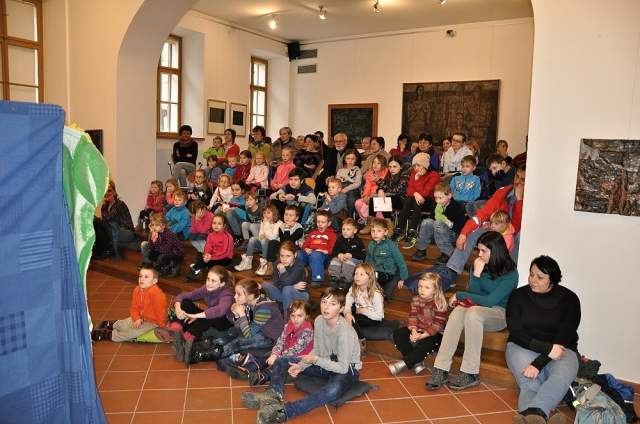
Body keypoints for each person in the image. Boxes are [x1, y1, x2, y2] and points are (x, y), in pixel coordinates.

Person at [241, 287, 362, 424]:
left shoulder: (344, 332)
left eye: (332, 304)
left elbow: (342, 367)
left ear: (341, 309)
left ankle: (284, 412)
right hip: (324, 363)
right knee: (282, 360)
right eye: (324, 302)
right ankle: (274, 394)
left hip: (346, 370)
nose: (326, 307)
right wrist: (301, 365)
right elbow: (317, 349)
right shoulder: (319, 320)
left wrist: (316, 360)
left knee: (332, 391)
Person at [427, 231, 518, 391]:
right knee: (458, 311)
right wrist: (476, 273)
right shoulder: (479, 265)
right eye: (478, 250)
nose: (479, 254)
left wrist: (460, 294)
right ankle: (441, 368)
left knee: (473, 313)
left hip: (499, 313)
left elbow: (489, 301)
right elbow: (474, 294)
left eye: (484, 251)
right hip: (476, 308)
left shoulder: (511, 274)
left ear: (496, 251)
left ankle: (470, 373)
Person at [506, 256, 580, 424]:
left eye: (540, 277)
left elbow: (565, 335)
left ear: (552, 279)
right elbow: (516, 331)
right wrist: (546, 350)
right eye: (531, 274)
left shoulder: (570, 299)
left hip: (562, 348)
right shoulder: (518, 296)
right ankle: (540, 416)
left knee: (561, 377)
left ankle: (532, 417)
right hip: (522, 346)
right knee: (529, 381)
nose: (533, 280)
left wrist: (539, 363)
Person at [443, 166, 525, 280]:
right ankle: (453, 269)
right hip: (496, 229)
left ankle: (509, 276)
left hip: (513, 234)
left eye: (523, 179)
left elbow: (517, 227)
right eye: (517, 177)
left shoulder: (532, 198)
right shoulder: (503, 192)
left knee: (520, 237)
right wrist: (463, 233)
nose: (518, 182)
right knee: (472, 232)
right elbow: (482, 214)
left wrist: (519, 200)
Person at [163, 266, 235, 361]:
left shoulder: (227, 294)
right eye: (208, 279)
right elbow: (184, 296)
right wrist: (177, 307)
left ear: (222, 284)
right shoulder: (206, 288)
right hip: (209, 317)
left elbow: (220, 310)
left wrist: (196, 316)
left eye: (213, 281)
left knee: (211, 314)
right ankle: (175, 329)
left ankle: (186, 340)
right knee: (184, 302)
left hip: (224, 323)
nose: (209, 283)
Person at [388, 272, 448, 375]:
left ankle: (402, 364)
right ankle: (417, 362)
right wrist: (414, 331)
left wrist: (422, 336)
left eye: (427, 287)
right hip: (419, 329)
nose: (422, 289)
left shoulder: (439, 304)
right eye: (420, 286)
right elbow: (413, 317)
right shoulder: (416, 299)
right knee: (398, 334)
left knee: (428, 343)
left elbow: (437, 325)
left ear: (435, 290)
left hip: (433, 333)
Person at [91, 267, 167, 342]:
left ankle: (109, 335)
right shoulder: (137, 290)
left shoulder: (157, 295)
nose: (142, 279)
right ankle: (113, 324)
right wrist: (137, 318)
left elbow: (161, 313)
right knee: (126, 324)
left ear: (154, 281)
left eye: (146, 277)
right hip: (141, 317)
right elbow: (134, 307)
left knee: (133, 333)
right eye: (140, 276)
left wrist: (161, 326)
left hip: (153, 322)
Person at [410, 182, 467, 263]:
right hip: (438, 233)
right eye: (436, 198)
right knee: (426, 222)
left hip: (453, 234)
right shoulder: (435, 204)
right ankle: (421, 250)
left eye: (440, 198)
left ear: (449, 196)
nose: (438, 201)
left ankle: (447, 253)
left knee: (438, 223)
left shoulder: (457, 207)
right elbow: (432, 219)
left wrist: (448, 223)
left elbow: (461, 228)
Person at [394, 152, 439, 244]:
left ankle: (412, 231)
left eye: (418, 165)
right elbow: (409, 190)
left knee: (414, 200)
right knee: (409, 199)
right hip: (415, 199)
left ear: (425, 165)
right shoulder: (414, 173)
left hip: (429, 201)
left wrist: (417, 180)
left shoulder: (434, 175)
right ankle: (399, 229)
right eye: (414, 166)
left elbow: (425, 193)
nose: (416, 168)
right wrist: (415, 193)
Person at [343, 263, 385, 356]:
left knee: (353, 320)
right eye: (356, 273)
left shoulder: (376, 294)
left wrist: (364, 311)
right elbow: (347, 303)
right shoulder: (354, 288)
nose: (357, 276)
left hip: (372, 318)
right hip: (359, 313)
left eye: (362, 274)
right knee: (344, 315)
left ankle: (361, 342)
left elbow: (379, 316)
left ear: (370, 277)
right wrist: (347, 313)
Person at [235, 204, 282, 277]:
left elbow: (273, 237)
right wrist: (264, 230)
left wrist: (266, 225)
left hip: (273, 248)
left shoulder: (279, 223)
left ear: (274, 213)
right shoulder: (263, 222)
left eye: (268, 212)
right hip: (264, 245)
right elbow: (260, 235)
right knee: (253, 239)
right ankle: (248, 262)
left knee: (264, 240)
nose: (266, 215)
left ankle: (265, 263)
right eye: (264, 213)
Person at [366, 218, 408, 298]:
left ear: (385, 232)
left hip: (387, 273)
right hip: (374, 272)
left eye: (379, 231)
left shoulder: (391, 245)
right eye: (373, 231)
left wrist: (404, 278)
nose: (375, 233)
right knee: (362, 274)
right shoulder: (371, 244)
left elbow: (401, 262)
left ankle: (374, 293)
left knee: (371, 277)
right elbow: (368, 259)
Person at [262, 241, 309, 312]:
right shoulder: (277, 264)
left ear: (295, 255)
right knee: (265, 285)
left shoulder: (299, 267)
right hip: (284, 292)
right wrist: (293, 286)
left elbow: (287, 282)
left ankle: (287, 316)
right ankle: (283, 304)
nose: (284, 259)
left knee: (287, 289)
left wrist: (282, 270)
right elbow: (277, 284)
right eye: (282, 256)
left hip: (301, 295)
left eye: (288, 256)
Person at [186, 214, 234, 281]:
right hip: (212, 256)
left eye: (219, 224)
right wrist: (207, 255)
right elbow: (207, 247)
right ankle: (196, 268)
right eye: (214, 223)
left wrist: (211, 258)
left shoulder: (228, 236)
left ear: (224, 226)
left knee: (205, 262)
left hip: (225, 258)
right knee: (200, 255)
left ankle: (196, 268)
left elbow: (225, 253)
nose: (216, 225)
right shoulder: (210, 235)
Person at [95, 180, 135, 259]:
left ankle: (115, 253)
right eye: (105, 191)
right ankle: (100, 252)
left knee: (112, 224)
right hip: (113, 231)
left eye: (109, 190)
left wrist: (99, 220)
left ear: (114, 192)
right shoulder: (104, 207)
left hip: (126, 232)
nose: (107, 193)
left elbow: (109, 218)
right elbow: (104, 223)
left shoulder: (120, 204)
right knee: (98, 226)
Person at [299, 210, 337, 287]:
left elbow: (334, 248)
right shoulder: (312, 233)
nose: (320, 224)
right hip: (310, 254)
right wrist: (306, 249)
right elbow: (305, 245)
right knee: (298, 254)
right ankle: (297, 276)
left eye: (323, 222)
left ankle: (317, 279)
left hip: (322, 256)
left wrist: (324, 251)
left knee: (315, 255)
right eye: (318, 222)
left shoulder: (332, 235)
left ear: (329, 223)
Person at [140, 213, 185, 277]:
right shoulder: (155, 232)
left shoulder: (169, 234)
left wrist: (155, 242)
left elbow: (165, 250)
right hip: (163, 250)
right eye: (153, 225)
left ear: (163, 226)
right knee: (146, 246)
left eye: (157, 225)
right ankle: (149, 263)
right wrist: (152, 238)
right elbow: (151, 247)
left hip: (176, 254)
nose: (154, 227)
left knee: (161, 257)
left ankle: (172, 266)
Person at [327, 218, 366, 289]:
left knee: (348, 262)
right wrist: (339, 254)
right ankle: (334, 277)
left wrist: (352, 255)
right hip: (342, 258)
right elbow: (334, 251)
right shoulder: (340, 239)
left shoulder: (358, 241)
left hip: (355, 260)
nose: (345, 231)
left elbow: (362, 255)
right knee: (335, 260)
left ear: (354, 231)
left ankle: (345, 280)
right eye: (343, 229)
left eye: (348, 229)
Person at [372, 156, 411, 225]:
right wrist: (380, 190)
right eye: (390, 167)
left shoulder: (405, 175)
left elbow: (397, 190)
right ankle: (372, 224)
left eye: (394, 166)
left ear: (401, 167)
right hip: (393, 198)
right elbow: (383, 186)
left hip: (403, 200)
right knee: (373, 200)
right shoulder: (390, 174)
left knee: (384, 200)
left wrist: (380, 183)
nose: (392, 169)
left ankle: (389, 224)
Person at [355, 154, 388, 230]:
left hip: (380, 196)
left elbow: (384, 187)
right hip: (370, 195)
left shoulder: (386, 172)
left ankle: (378, 225)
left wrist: (377, 180)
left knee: (374, 204)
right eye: (374, 162)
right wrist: (365, 196)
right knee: (358, 203)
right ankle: (365, 220)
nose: (375, 165)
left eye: (378, 163)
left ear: (383, 165)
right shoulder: (370, 173)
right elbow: (367, 186)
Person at [335, 148, 362, 217]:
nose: (350, 161)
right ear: (345, 159)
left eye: (352, 159)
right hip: (341, 188)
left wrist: (346, 189)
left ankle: (349, 217)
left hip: (352, 190)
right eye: (348, 158)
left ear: (356, 160)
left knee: (351, 199)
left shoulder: (357, 170)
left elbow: (357, 183)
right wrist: (339, 189)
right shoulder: (340, 170)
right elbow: (337, 182)